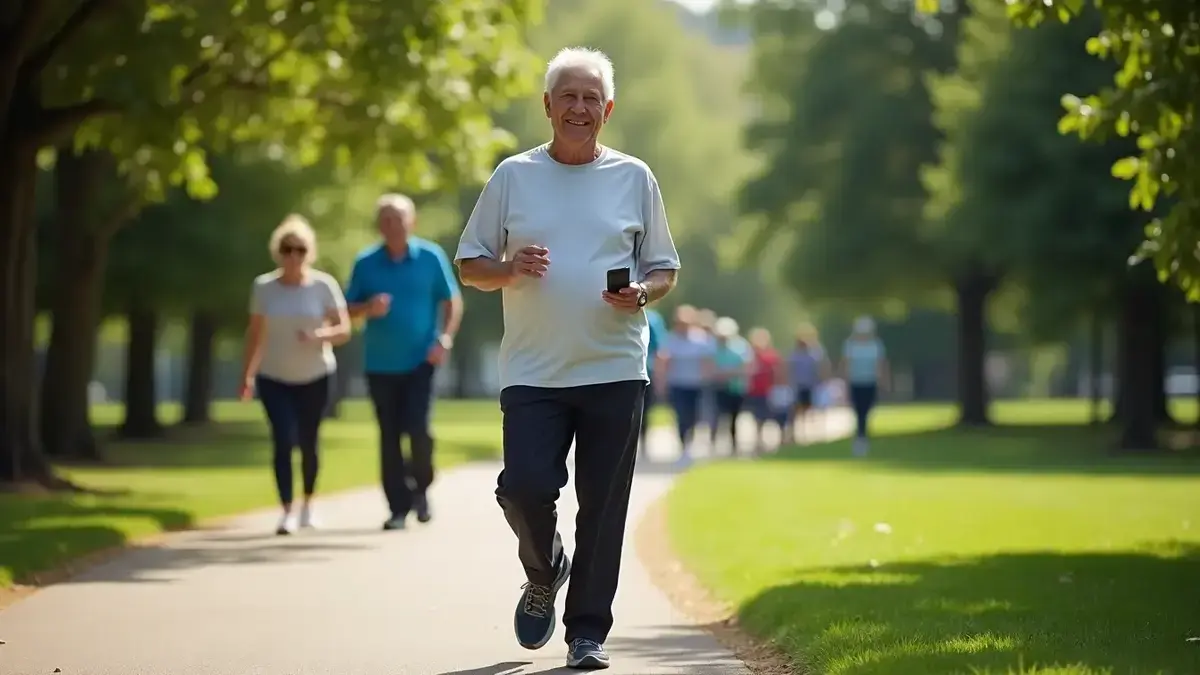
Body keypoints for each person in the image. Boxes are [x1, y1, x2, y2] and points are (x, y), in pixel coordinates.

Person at [454, 46, 681, 670]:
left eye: (591, 99)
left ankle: (587, 632)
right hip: (532, 370)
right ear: (547, 105)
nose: (579, 108)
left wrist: (642, 292)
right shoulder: (513, 176)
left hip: (615, 367)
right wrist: (508, 269)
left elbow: (664, 267)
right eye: (568, 97)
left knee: (603, 508)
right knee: (524, 487)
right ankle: (545, 566)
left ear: (606, 110)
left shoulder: (635, 177)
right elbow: (470, 265)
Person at [345, 194, 463, 531]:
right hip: (380, 365)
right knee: (390, 436)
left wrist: (444, 337)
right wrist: (368, 307)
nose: (392, 226)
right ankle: (398, 508)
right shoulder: (366, 262)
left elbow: (451, 300)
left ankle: (421, 488)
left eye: (398, 219)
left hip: (421, 361)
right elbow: (347, 309)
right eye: (385, 220)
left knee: (420, 431)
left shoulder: (430, 256)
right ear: (379, 226)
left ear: (411, 223)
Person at [239, 215, 350, 536]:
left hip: (315, 375)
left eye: (299, 250)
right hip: (274, 376)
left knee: (309, 441)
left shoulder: (322, 285)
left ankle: (308, 506)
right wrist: (246, 376)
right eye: (287, 249)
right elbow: (255, 334)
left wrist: (319, 335)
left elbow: (343, 329)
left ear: (308, 252)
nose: (293, 256)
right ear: (278, 252)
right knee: (283, 440)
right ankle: (286, 510)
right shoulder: (264, 287)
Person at [657, 305, 715, 467]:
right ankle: (683, 445)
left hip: (695, 384)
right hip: (677, 383)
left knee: (694, 415)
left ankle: (690, 441)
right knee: (680, 415)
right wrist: (661, 382)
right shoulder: (671, 339)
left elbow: (707, 362)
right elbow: (664, 361)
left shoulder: (700, 339)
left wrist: (707, 378)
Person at [841, 316, 889, 456]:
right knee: (858, 410)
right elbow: (846, 364)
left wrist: (884, 381)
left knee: (867, 409)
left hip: (870, 381)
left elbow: (881, 364)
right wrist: (845, 381)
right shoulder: (850, 345)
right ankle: (860, 436)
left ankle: (862, 434)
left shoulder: (876, 345)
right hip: (855, 382)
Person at [710, 317, 752, 454]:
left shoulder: (741, 346)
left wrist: (729, 373)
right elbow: (708, 366)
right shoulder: (713, 347)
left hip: (736, 387)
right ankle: (713, 442)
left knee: (734, 417)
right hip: (719, 386)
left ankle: (733, 444)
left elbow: (746, 367)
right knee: (717, 415)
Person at [745, 327, 784, 453]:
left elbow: (777, 372)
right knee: (757, 417)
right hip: (755, 390)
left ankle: (780, 439)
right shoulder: (750, 355)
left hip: (769, 391)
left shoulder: (771, 356)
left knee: (773, 416)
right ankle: (759, 440)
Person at [788, 326, 829, 444]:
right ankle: (798, 434)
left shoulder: (816, 352)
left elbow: (822, 368)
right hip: (798, 386)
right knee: (798, 411)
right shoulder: (795, 354)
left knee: (815, 410)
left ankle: (817, 434)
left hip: (813, 386)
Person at [640, 307, 668, 456]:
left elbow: (660, 351)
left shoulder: (652, 319)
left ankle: (643, 442)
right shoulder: (653, 318)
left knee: (644, 412)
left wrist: (659, 375)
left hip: (645, 371)